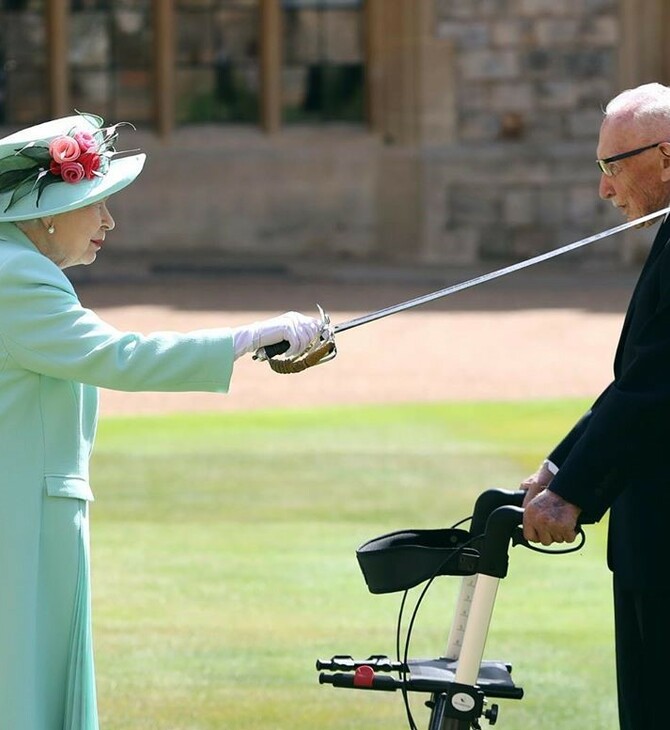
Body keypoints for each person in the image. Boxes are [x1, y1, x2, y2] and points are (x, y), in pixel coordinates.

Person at [0, 113, 322, 730]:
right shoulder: (19, 275)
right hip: (21, 522)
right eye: (95, 204)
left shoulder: (20, 266)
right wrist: (247, 337)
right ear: (47, 212)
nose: (108, 222)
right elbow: (119, 357)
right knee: (23, 686)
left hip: (31, 513)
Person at [520, 82, 670, 730]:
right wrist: (560, 467)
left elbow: (657, 386)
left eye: (613, 165)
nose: (605, 189)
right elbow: (642, 373)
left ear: (665, 157)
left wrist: (573, 490)